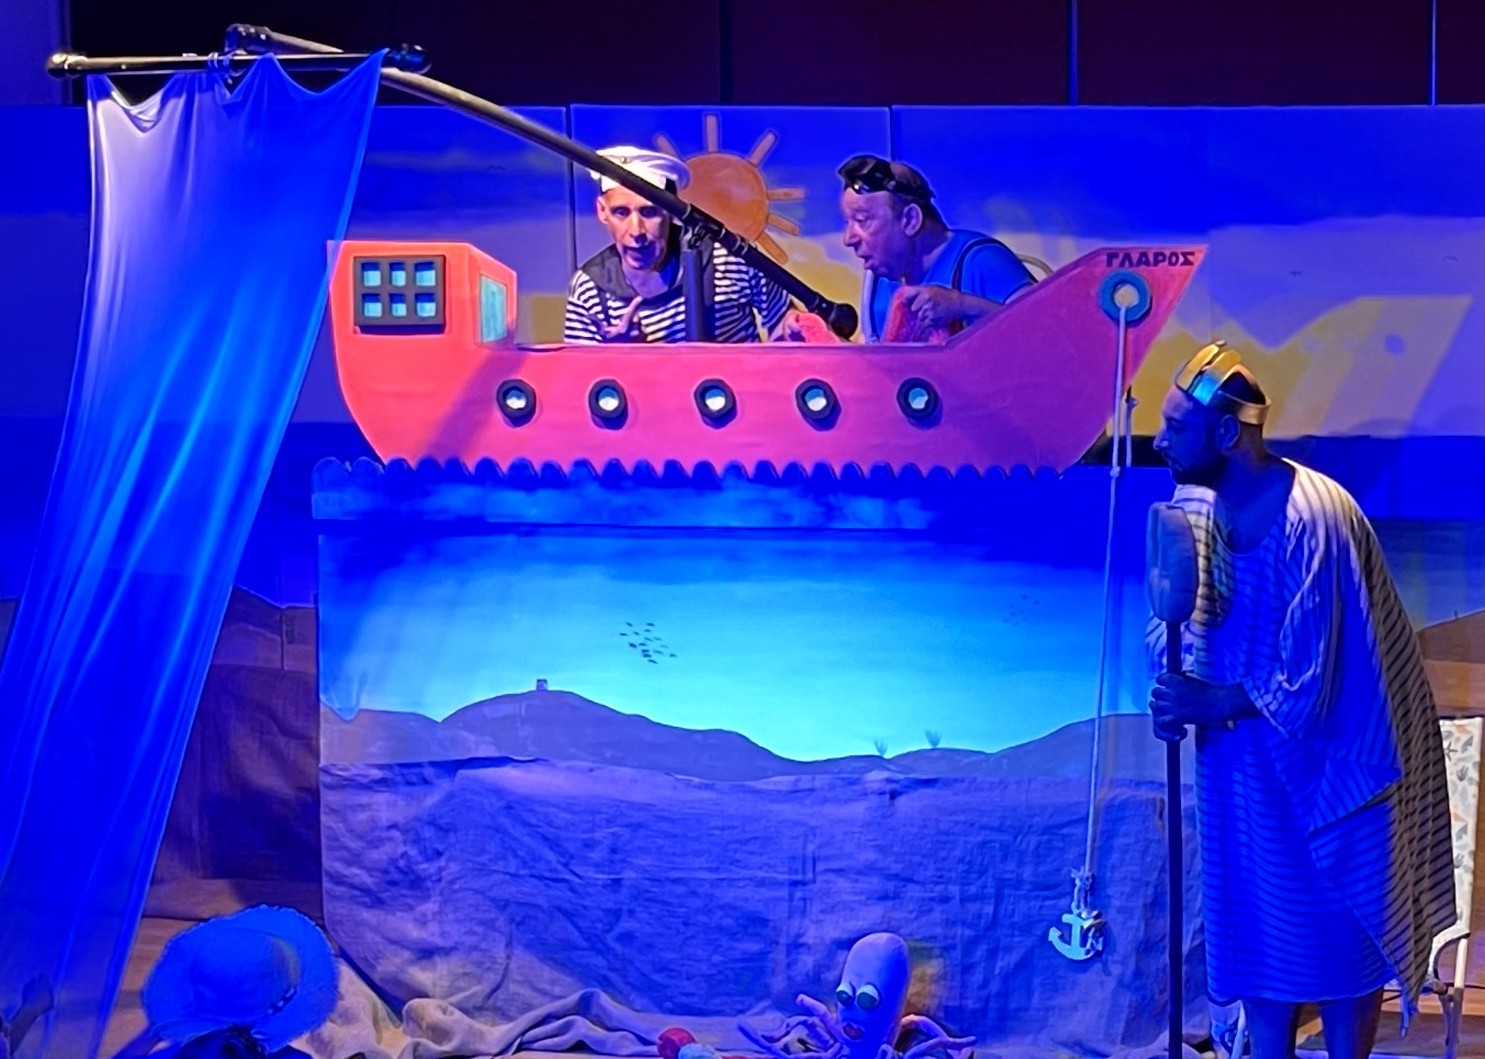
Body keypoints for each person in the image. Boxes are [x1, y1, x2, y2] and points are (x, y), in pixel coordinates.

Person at [1146, 341, 1455, 1059]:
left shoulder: (1313, 516)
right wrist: (1170, 686)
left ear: (1228, 433)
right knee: (1258, 929)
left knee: (1340, 927)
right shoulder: (1192, 511)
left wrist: (1209, 700)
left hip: (1335, 768)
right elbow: (1170, 625)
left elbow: (1318, 677)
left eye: (1176, 427)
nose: (1158, 440)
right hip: (1244, 770)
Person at [564, 146, 791, 344]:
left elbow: (784, 322)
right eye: (621, 212)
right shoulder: (590, 289)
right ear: (602, 211)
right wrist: (621, 356)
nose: (636, 231)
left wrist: (795, 327)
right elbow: (579, 375)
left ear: (672, 212)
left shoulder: (729, 258)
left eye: (649, 212)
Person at [829, 155, 1033, 342]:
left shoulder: (981, 261)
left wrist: (962, 304)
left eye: (862, 220)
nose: (848, 239)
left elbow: (1043, 332)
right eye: (847, 223)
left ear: (910, 220)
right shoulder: (879, 281)